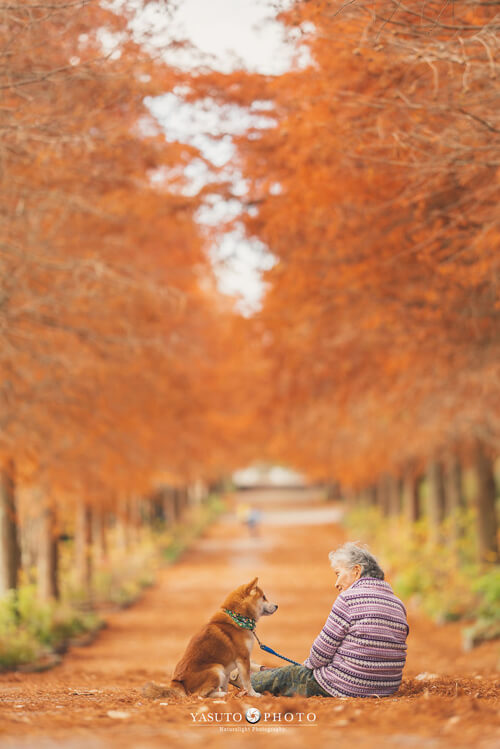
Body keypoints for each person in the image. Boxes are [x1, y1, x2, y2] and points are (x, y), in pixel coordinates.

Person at [250, 542, 409, 698]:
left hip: (348, 684)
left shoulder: (348, 599)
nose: (336, 584)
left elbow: (321, 653)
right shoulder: (398, 603)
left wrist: (309, 665)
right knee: (296, 672)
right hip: (387, 686)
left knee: (289, 676)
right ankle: (260, 670)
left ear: (356, 571)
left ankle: (242, 677)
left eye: (338, 574)